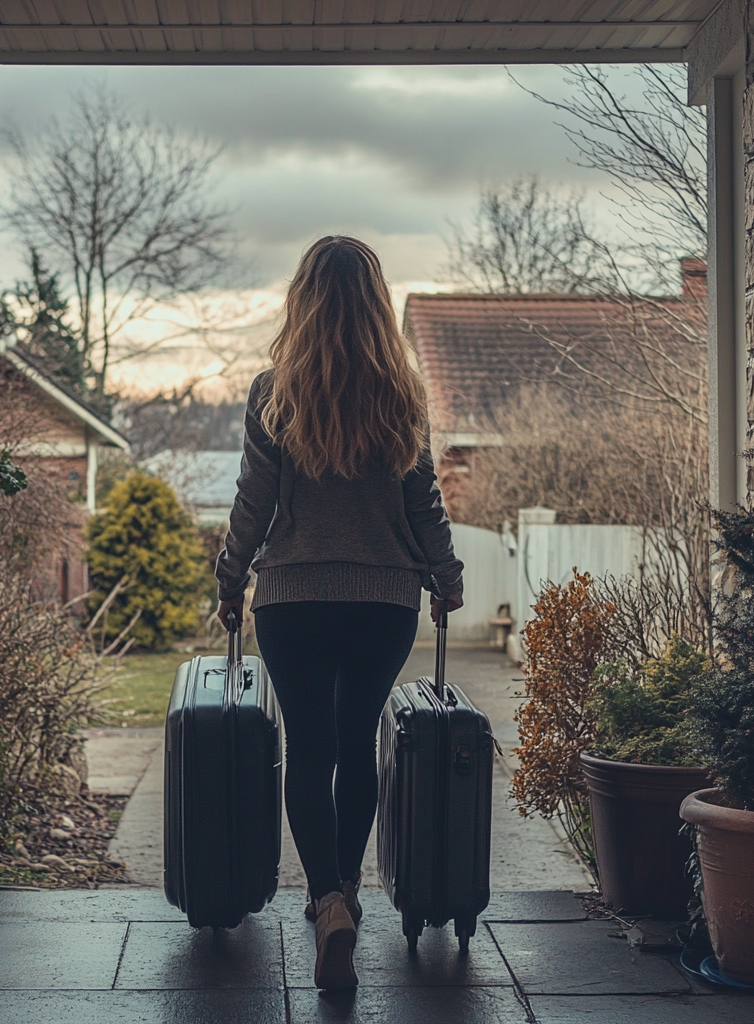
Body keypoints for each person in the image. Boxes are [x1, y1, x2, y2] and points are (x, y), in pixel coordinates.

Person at [216, 235, 464, 990]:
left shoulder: (273, 391)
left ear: (303, 300)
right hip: (383, 601)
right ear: (376, 304)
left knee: (309, 750)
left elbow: (254, 503)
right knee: (358, 746)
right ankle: (348, 892)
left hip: (292, 601)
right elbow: (423, 499)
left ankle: (326, 900)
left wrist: (230, 578)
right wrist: (446, 573)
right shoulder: (403, 392)